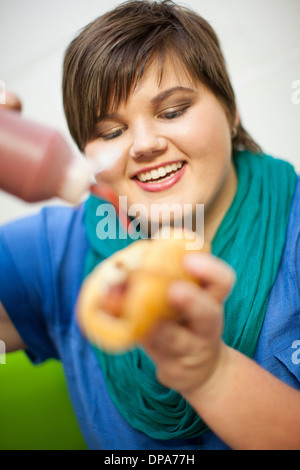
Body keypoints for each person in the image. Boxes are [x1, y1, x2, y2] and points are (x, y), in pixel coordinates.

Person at [0, 0, 299, 450]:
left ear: (230, 109)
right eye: (111, 131)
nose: (143, 145)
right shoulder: (55, 249)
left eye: (173, 111)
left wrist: (211, 374)